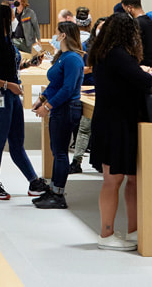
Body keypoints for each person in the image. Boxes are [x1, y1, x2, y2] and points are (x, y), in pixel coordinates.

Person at [89, 12, 152, 251]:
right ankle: (106, 234)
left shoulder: (105, 53)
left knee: (130, 178)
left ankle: (134, 231)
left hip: (114, 121)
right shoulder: (119, 54)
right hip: (116, 124)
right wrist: (151, 74)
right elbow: (143, 82)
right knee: (114, 180)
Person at [0, 5, 49, 200]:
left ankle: (34, 182)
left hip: (11, 94)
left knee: (17, 142)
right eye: (11, 16)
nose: (15, 18)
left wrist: (28, 64)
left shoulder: (7, 41)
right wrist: (9, 85)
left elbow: (10, 65)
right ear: (3, 19)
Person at [31, 21, 86, 209]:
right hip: (59, 108)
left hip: (66, 108)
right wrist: (42, 98)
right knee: (56, 150)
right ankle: (53, 189)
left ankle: (58, 194)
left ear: (63, 35)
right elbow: (55, 83)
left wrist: (48, 106)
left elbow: (68, 88)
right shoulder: (62, 56)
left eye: (57, 33)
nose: (54, 36)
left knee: (61, 152)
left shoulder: (73, 58)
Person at [70, 16, 108, 174]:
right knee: (85, 127)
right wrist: (93, 68)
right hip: (88, 90)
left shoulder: (112, 48)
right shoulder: (86, 46)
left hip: (106, 91)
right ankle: (76, 161)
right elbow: (80, 68)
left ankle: (101, 161)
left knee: (103, 129)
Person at [120, 0, 152, 67]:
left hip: (140, 65)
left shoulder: (135, 23)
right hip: (151, 62)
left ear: (130, 8)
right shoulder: (151, 21)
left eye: (125, 10)